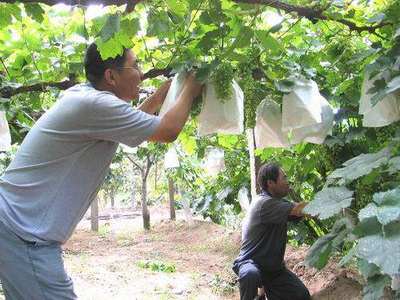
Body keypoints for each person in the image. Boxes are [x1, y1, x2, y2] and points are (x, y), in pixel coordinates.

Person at [0, 43, 202, 299]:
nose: (141, 73)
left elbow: (131, 125)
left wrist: (162, 96)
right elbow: (168, 131)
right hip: (24, 232)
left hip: (14, 225)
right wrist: (191, 90)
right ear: (111, 76)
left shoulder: (86, 97)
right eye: (135, 65)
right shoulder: (96, 105)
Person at [233, 163, 311, 300]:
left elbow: (296, 212)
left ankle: (264, 294)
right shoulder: (265, 204)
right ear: (271, 183)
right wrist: (328, 203)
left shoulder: (277, 202)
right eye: (284, 178)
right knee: (250, 274)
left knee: (302, 296)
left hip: (273, 270)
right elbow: (300, 209)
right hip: (250, 263)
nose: (288, 182)